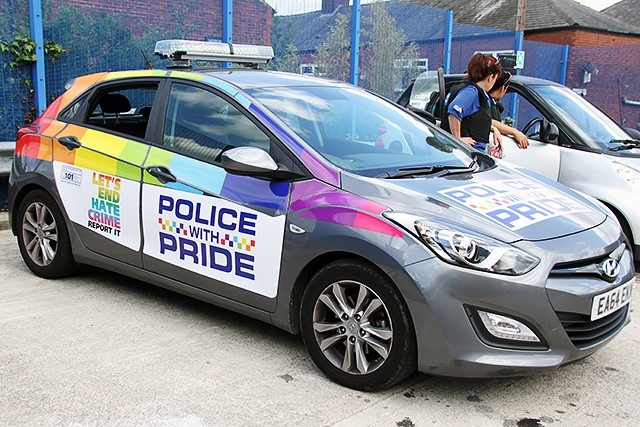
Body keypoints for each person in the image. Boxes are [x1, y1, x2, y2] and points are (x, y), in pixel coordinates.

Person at [442, 53, 502, 153]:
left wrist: (493, 129)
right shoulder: (471, 92)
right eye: (495, 79)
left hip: (472, 155)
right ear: (491, 77)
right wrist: (457, 139)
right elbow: (454, 110)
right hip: (468, 155)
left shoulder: (479, 93)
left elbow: (473, 122)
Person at [488, 70, 529, 149]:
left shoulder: (492, 103)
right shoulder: (486, 102)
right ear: (503, 88)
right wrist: (514, 132)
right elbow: (489, 121)